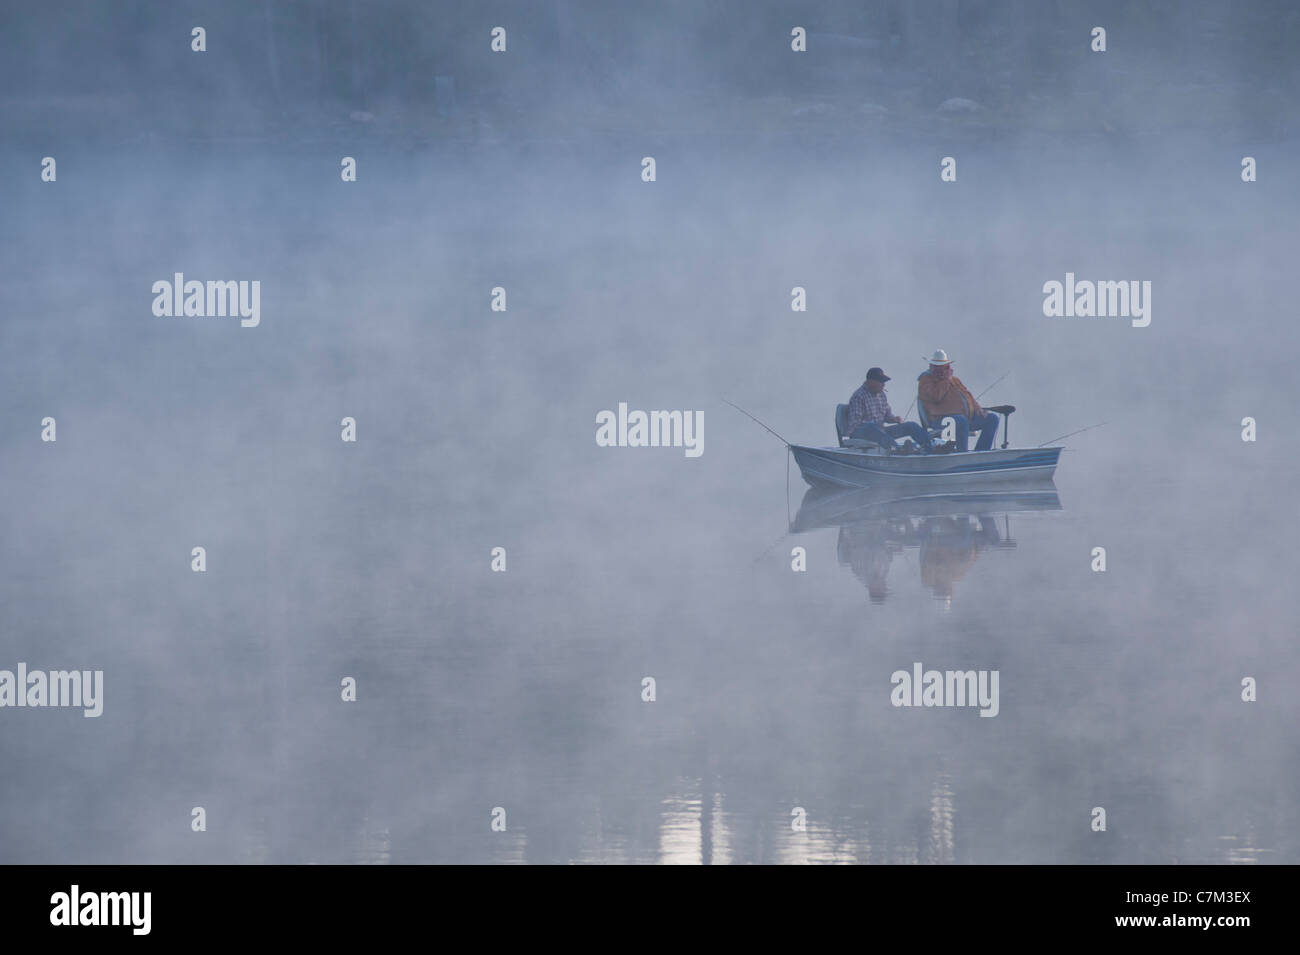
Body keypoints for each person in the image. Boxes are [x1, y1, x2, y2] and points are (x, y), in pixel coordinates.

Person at [917, 349, 999, 452]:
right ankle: (962, 453)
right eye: (937, 366)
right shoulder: (926, 380)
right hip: (940, 420)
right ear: (931, 367)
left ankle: (981, 452)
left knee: (992, 418)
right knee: (960, 420)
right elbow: (936, 397)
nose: (942, 369)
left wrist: (978, 408)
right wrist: (946, 379)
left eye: (945, 366)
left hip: (963, 418)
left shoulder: (954, 380)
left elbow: (967, 394)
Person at [846, 367, 936, 452]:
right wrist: (875, 426)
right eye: (881, 381)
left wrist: (894, 419)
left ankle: (931, 445)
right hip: (861, 433)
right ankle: (897, 449)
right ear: (870, 382)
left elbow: (887, 416)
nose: (883, 384)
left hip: (880, 433)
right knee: (871, 426)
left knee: (910, 426)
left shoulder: (881, 394)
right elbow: (855, 424)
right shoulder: (858, 396)